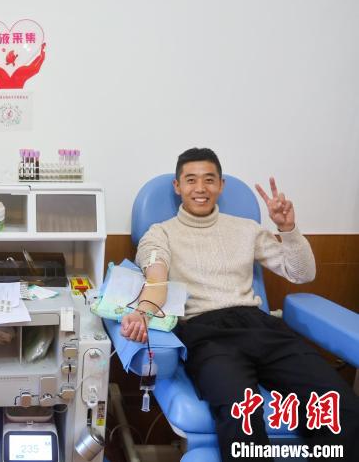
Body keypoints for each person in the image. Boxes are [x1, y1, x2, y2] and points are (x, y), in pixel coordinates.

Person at [120, 148, 358, 461]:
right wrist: (143, 311)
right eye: (191, 180)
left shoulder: (246, 229)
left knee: (339, 404)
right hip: (207, 334)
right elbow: (156, 278)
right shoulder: (160, 233)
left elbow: (301, 274)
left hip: (261, 327)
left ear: (221, 185)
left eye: (209, 179)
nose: (200, 188)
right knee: (242, 414)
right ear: (178, 186)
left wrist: (288, 230)